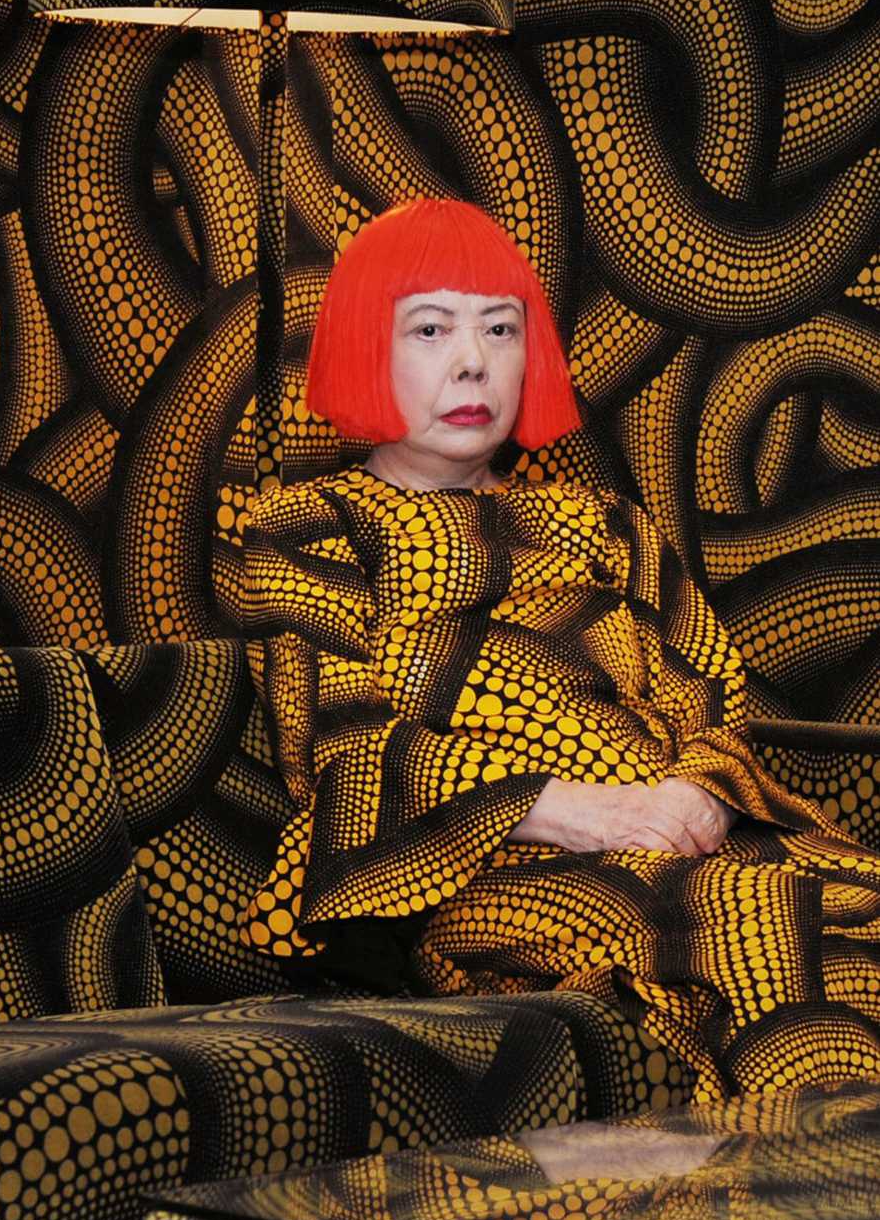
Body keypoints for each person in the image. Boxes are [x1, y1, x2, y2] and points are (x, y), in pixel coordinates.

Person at [243, 198, 880, 1103]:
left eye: (500, 328)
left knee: (855, 911)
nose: (473, 360)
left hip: (678, 845)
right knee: (756, 921)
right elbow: (342, 747)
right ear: (364, 348)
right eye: (431, 328)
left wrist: (693, 796)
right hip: (474, 877)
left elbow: (713, 694)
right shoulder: (309, 526)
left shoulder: (606, 523)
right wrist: (584, 813)